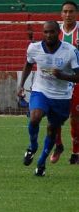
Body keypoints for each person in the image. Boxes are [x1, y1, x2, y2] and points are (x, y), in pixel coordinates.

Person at [18, 21, 79, 176]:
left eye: (52, 32)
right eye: (46, 32)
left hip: (62, 97)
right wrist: (20, 85)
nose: (48, 35)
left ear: (58, 33)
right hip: (41, 91)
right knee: (35, 117)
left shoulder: (70, 51)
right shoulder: (34, 48)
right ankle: (32, 147)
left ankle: (41, 164)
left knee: (52, 129)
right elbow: (28, 64)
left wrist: (63, 75)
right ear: (42, 33)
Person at [50, 1, 79, 164]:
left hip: (76, 81)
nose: (68, 15)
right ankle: (58, 145)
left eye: (71, 11)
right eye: (65, 12)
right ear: (61, 14)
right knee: (56, 117)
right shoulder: (55, 31)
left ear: (76, 13)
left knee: (76, 117)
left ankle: (76, 152)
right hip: (58, 82)